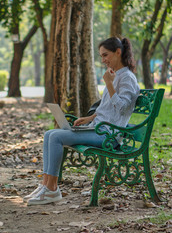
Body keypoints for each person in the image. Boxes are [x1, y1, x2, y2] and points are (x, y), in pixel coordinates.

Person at [24, 37, 140, 206]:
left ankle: (52, 190)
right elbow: (108, 110)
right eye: (101, 56)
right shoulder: (114, 75)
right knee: (50, 134)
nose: (103, 60)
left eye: (105, 55)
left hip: (108, 136)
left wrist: (109, 84)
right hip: (98, 128)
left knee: (56, 137)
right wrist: (90, 117)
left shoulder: (127, 78)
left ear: (118, 52)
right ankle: (46, 185)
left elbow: (122, 109)